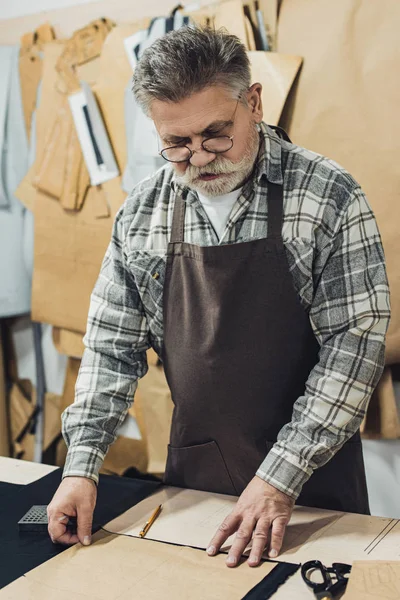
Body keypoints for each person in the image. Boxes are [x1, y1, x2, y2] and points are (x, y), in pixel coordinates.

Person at [47, 26, 390, 568]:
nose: (200, 157)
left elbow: (354, 348)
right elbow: (112, 346)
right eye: (177, 143)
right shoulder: (143, 213)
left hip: (310, 483)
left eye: (216, 133)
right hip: (197, 486)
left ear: (252, 102)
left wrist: (279, 478)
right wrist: (81, 467)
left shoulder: (327, 195)